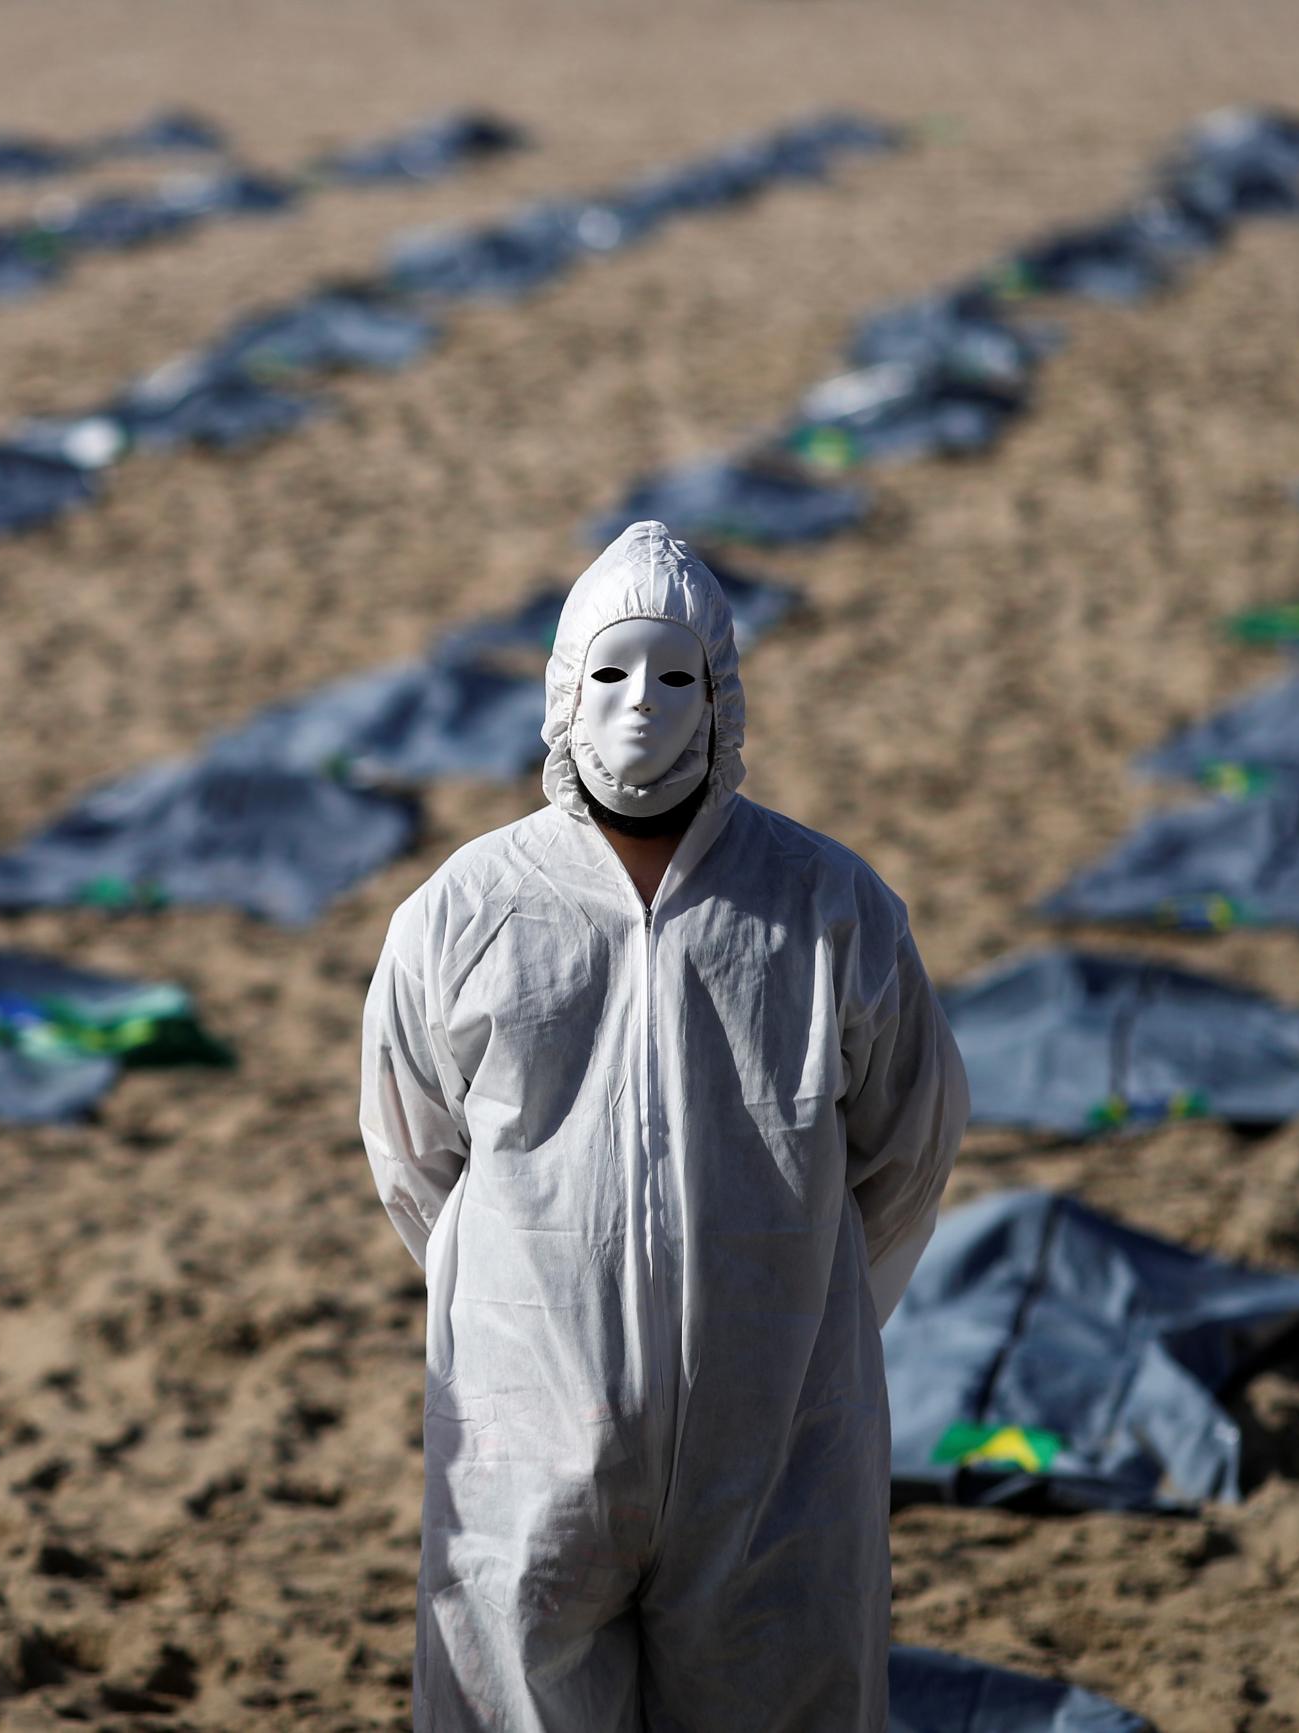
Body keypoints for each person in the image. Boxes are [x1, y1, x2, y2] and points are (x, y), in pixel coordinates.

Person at [360, 521, 968, 1731]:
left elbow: (906, 1152)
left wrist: (788, 1319)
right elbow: (414, 1156)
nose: (640, 703)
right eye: (609, 669)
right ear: (560, 689)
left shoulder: (825, 905)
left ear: (721, 692)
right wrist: (536, 1313)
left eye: (674, 672)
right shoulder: (464, 911)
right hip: (522, 1441)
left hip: (777, 1442)